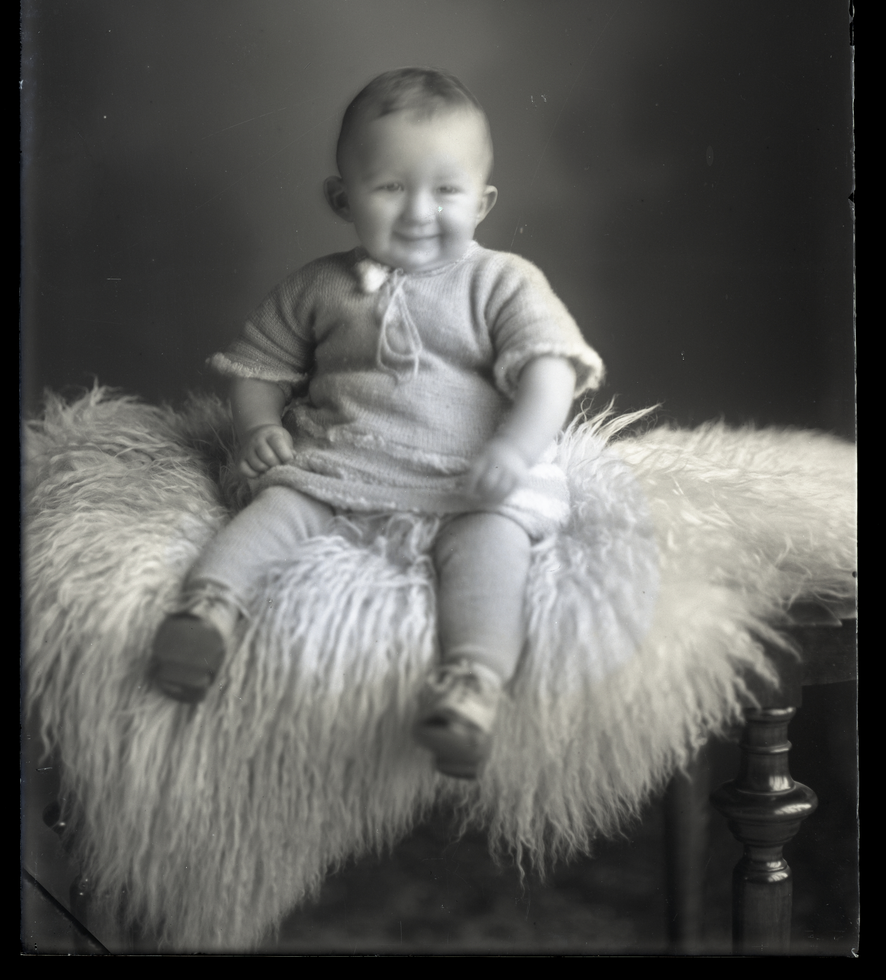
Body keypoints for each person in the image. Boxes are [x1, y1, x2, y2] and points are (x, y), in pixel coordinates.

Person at [150, 67, 604, 779]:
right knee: (278, 508)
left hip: (467, 478)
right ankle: (206, 612)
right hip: (343, 463)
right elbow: (257, 367)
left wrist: (516, 450)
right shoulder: (319, 285)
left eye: (446, 190)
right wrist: (258, 428)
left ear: (482, 202)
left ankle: (471, 686)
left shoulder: (502, 281)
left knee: (494, 550)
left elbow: (553, 369)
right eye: (390, 187)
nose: (420, 211)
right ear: (343, 198)